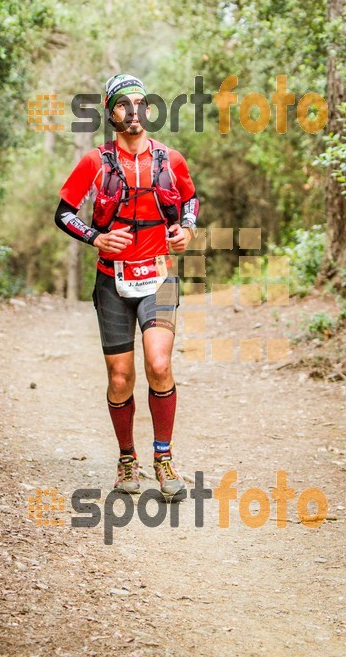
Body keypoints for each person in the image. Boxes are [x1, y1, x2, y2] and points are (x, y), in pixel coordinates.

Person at [54, 74, 199, 501]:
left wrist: (187, 228)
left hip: (160, 274)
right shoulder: (93, 162)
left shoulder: (171, 159)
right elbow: (64, 213)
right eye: (123, 105)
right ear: (110, 111)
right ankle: (126, 461)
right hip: (111, 279)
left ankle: (164, 459)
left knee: (158, 364)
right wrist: (95, 237)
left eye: (140, 103)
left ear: (148, 110)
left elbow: (189, 200)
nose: (133, 112)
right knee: (120, 378)